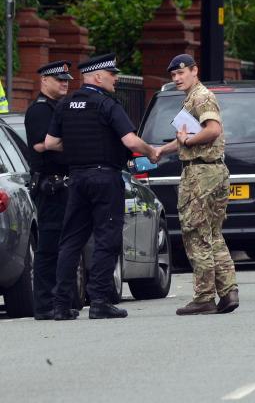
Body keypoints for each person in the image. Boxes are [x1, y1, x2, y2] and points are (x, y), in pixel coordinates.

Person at [44, 53, 159, 320]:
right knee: (107, 239)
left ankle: (61, 304)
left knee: (71, 240)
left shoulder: (65, 104)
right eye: (112, 75)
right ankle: (99, 301)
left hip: (77, 179)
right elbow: (131, 142)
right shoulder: (106, 104)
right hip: (105, 179)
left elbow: (50, 143)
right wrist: (151, 152)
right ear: (97, 77)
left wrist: (74, 147)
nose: (116, 79)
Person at [154, 54, 238, 315]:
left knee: (195, 233)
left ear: (194, 71)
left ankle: (204, 297)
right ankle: (228, 291)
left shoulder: (201, 97)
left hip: (200, 175)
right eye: (173, 75)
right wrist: (163, 150)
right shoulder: (194, 98)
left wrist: (188, 142)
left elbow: (212, 130)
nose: (177, 78)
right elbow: (186, 136)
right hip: (212, 171)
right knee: (212, 233)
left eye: (181, 73)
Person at [25, 61, 75, 320]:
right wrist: (78, 145)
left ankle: (59, 301)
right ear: (44, 80)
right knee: (49, 247)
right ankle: (45, 304)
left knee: (63, 245)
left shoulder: (59, 107)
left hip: (64, 184)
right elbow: (41, 145)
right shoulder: (40, 111)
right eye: (59, 79)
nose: (65, 83)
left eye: (66, 79)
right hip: (51, 186)